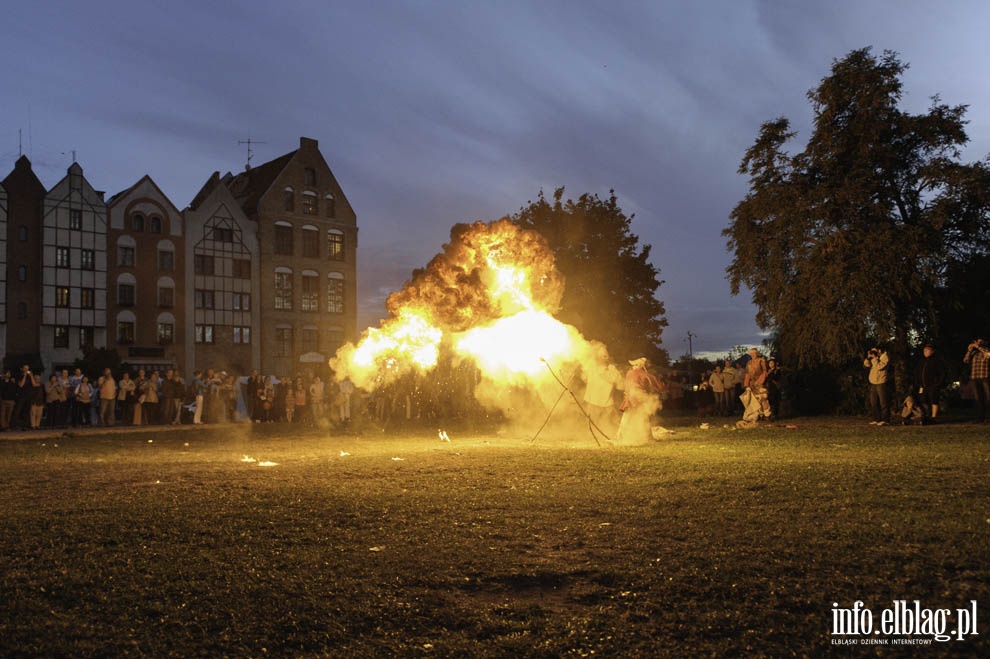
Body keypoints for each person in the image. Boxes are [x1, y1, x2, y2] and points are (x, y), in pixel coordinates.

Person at [616, 357, 663, 445]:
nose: (632, 367)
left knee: (627, 418)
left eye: (634, 365)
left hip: (633, 398)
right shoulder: (647, 375)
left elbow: (627, 386)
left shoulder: (630, 373)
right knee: (644, 419)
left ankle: (620, 437)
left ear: (638, 365)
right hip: (642, 398)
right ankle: (648, 438)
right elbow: (658, 386)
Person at [582, 343, 621, 435]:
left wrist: (605, 372)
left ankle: (622, 434)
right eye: (602, 355)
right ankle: (591, 435)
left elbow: (617, 381)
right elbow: (585, 378)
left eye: (605, 355)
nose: (604, 357)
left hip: (607, 401)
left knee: (615, 420)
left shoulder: (611, 369)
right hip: (592, 400)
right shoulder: (591, 367)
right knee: (591, 421)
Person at [914, 344, 946, 423]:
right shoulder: (922, 362)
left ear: (932, 351)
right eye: (924, 350)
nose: (925, 352)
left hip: (933, 385)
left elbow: (942, 373)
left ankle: (934, 416)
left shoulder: (936, 361)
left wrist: (938, 383)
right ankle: (926, 415)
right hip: (923, 385)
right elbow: (917, 372)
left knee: (934, 399)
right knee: (924, 400)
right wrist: (918, 382)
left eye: (927, 350)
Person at [740, 348, 771, 424]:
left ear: (757, 353)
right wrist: (746, 385)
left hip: (761, 384)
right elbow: (747, 374)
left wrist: (759, 381)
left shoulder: (761, 360)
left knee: (763, 398)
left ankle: (767, 415)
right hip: (752, 385)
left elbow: (765, 372)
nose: (752, 354)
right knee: (755, 401)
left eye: (754, 353)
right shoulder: (749, 363)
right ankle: (759, 415)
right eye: (751, 353)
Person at [963, 338, 989, 423]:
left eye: (980, 341)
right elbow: (965, 360)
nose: (978, 343)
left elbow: (988, 355)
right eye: (977, 342)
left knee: (988, 397)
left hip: (985, 377)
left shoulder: (987, 350)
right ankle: (981, 417)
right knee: (978, 399)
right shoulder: (974, 353)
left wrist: (977, 347)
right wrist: (969, 351)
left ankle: (988, 417)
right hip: (975, 378)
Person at [863, 345, 890, 425]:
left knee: (883, 402)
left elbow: (879, 367)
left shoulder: (885, 357)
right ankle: (876, 419)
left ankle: (885, 420)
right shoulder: (875, 358)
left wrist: (874, 358)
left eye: (875, 351)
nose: (873, 353)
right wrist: (868, 358)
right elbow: (866, 365)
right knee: (873, 402)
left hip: (881, 382)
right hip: (873, 382)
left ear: (880, 350)